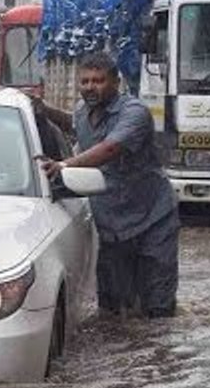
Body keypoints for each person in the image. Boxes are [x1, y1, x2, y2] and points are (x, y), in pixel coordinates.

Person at [39, 51, 179, 320]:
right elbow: (74, 124)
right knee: (113, 308)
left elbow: (110, 147)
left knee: (157, 307)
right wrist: (45, 110)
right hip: (112, 225)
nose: (90, 87)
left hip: (153, 220)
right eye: (85, 82)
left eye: (98, 81)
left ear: (116, 83)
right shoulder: (83, 112)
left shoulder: (134, 113)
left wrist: (65, 165)